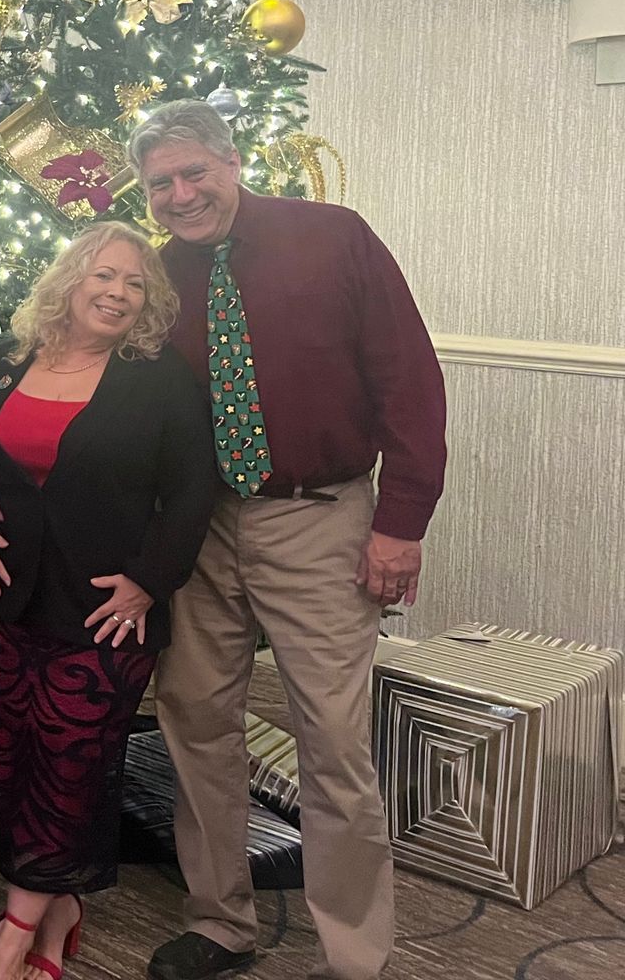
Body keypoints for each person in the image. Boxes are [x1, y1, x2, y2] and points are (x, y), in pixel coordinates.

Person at [131, 100, 446, 980]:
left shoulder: (334, 238)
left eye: (196, 172)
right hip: (202, 527)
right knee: (194, 720)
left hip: (321, 517)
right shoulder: (158, 278)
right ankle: (220, 920)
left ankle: (351, 948)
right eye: (162, 184)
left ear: (233, 163)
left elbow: (410, 380)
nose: (183, 194)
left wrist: (401, 523)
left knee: (333, 739)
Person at [0, 220, 216, 980]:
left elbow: (193, 491)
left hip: (106, 607)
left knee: (72, 760)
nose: (118, 292)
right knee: (16, 754)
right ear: (71, 280)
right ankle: (61, 916)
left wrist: (149, 581)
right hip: (6, 597)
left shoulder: (156, 377)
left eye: (134, 283)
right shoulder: (0, 363)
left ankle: (13, 930)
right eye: (105, 275)